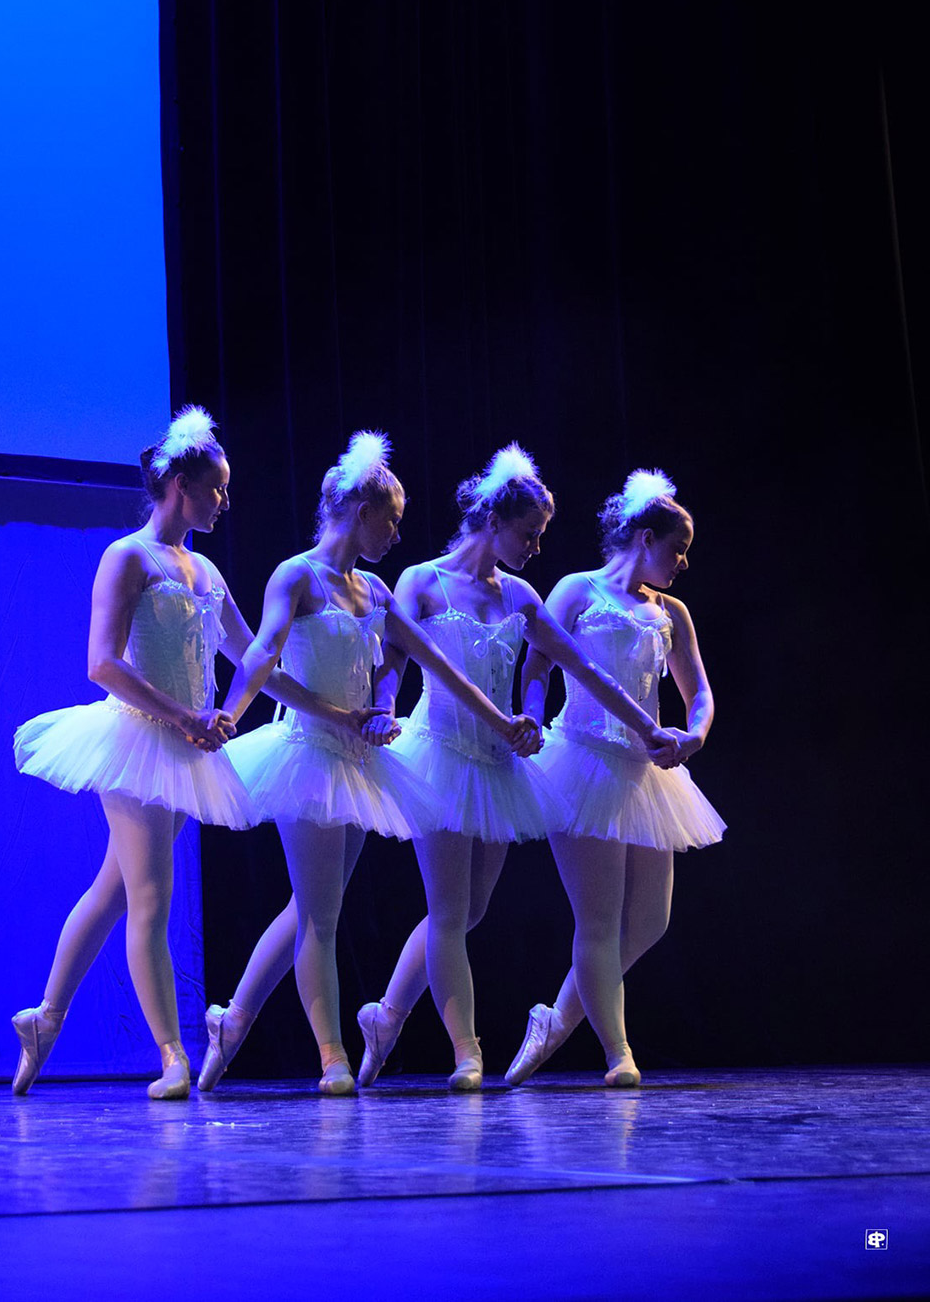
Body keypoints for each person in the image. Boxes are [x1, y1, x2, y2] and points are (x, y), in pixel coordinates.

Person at [197, 431, 539, 1096]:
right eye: (393, 519)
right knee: (321, 915)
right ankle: (333, 1058)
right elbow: (262, 655)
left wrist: (496, 720)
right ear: (361, 511)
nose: (397, 532)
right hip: (308, 753)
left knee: (310, 907)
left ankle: (232, 1024)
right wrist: (234, 714)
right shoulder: (296, 576)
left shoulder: (377, 591)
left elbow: (437, 664)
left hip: (357, 762)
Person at [354, 447, 682, 1091]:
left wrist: (625, 725)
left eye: (539, 537)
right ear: (492, 521)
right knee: (449, 910)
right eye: (528, 534)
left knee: (471, 910)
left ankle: (386, 1014)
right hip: (440, 752)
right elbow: (392, 662)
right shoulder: (422, 580)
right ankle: (466, 1053)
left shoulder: (523, 595)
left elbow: (577, 668)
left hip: (499, 760)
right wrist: (385, 708)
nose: (535, 547)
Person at [11, 407, 259, 1100]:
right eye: (216, 489)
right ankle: (172, 1055)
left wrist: (301, 699)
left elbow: (249, 651)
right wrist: (185, 715)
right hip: (134, 740)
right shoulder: (127, 556)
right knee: (152, 898)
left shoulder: (204, 568)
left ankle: (44, 1018)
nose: (225, 501)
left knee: (114, 889)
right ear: (180, 484)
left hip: (181, 747)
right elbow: (101, 665)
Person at [505, 469, 724, 1090]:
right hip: (584, 762)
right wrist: (533, 714)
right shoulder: (577, 590)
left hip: (646, 772)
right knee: (598, 922)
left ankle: (556, 1021)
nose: (682, 563)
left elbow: (698, 691)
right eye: (676, 549)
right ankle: (618, 1052)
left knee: (650, 921)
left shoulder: (671, 613)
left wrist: (694, 734)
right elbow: (538, 662)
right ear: (644, 537)